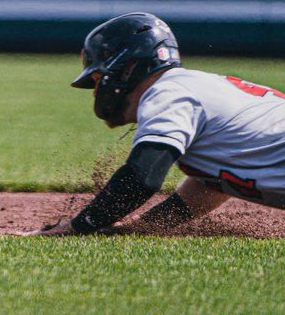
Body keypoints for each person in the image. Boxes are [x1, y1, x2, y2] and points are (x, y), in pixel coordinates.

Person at [26, 12, 285, 236]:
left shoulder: (167, 93)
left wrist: (79, 226)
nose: (96, 91)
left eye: (97, 78)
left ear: (126, 68)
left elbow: (141, 178)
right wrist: (142, 228)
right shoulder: (192, 86)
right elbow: (212, 185)